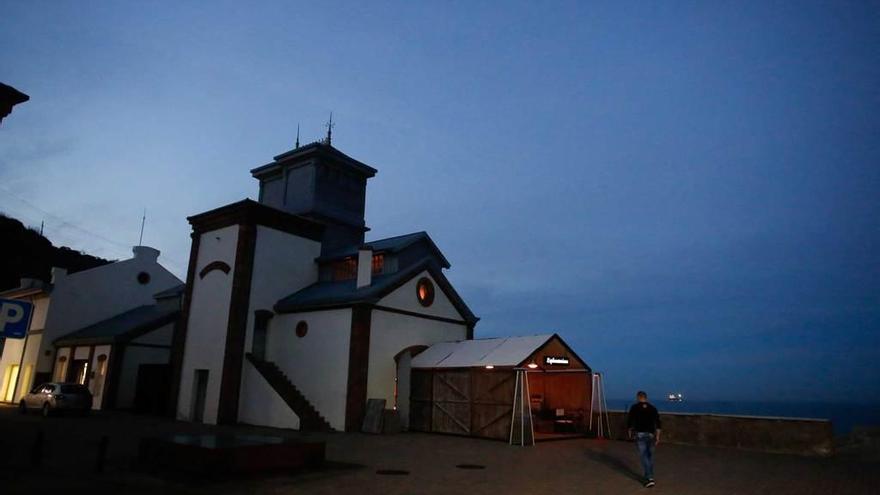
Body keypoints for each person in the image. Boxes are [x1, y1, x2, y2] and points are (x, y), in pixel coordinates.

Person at [627, 391, 661, 488]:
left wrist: (629, 432)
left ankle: (649, 477)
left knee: (644, 456)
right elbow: (658, 423)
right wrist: (658, 436)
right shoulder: (652, 408)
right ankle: (649, 475)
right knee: (649, 456)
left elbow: (630, 421)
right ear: (646, 398)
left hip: (640, 435)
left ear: (638, 397)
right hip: (651, 435)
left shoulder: (634, 408)